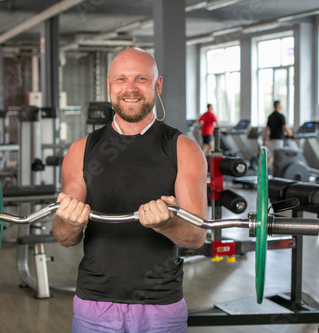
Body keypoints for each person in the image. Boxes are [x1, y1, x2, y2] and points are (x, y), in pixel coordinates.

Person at [52, 47, 207, 333]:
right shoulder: (80, 150)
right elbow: (63, 238)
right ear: (109, 85)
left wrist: (168, 223)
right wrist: (69, 223)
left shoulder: (184, 149)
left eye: (142, 79)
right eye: (121, 79)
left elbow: (196, 237)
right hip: (93, 305)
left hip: (161, 306)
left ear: (157, 85)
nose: (131, 89)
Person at [262, 101, 293, 167]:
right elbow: (285, 127)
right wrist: (291, 134)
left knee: (273, 155)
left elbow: (266, 129)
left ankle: (270, 170)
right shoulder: (280, 116)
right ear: (278, 105)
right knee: (275, 156)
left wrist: (264, 139)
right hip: (278, 139)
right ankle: (263, 170)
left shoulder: (270, 116)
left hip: (271, 139)